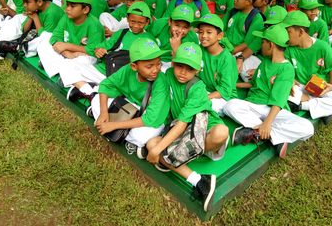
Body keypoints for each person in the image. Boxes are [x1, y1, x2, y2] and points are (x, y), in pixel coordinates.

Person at [146, 42, 229, 212]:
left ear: (198, 70)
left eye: (189, 69)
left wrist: (159, 150)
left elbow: (184, 122)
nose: (183, 72)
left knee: (222, 132)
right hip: (181, 129)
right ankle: (199, 181)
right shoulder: (168, 74)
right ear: (173, 63)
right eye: (179, 66)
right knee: (151, 145)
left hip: (202, 130)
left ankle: (176, 158)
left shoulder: (198, 88)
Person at [223, 24, 314, 158]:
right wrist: (232, 85)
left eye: (263, 42)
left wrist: (267, 123)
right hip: (253, 104)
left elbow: (278, 101)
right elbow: (254, 84)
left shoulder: (286, 69)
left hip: (273, 111)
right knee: (230, 105)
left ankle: (255, 132)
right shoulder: (265, 62)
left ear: (271, 45)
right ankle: (272, 136)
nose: (261, 45)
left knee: (307, 127)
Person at [91, 38, 170, 157]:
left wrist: (114, 125)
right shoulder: (128, 70)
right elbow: (106, 84)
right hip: (129, 107)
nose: (156, 70)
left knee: (141, 136)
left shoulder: (161, 81)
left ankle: (113, 128)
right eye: (149, 66)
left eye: (159, 64)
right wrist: (103, 113)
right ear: (134, 66)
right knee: (97, 100)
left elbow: (151, 119)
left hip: (151, 118)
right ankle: (115, 129)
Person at [283, 11, 332, 124]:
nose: (285, 36)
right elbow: (285, 68)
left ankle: (303, 106)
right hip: (299, 86)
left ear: (301, 32)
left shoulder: (322, 46)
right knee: (284, 92)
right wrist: (290, 80)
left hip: (320, 85)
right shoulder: (288, 49)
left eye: (288, 32)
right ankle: (324, 109)